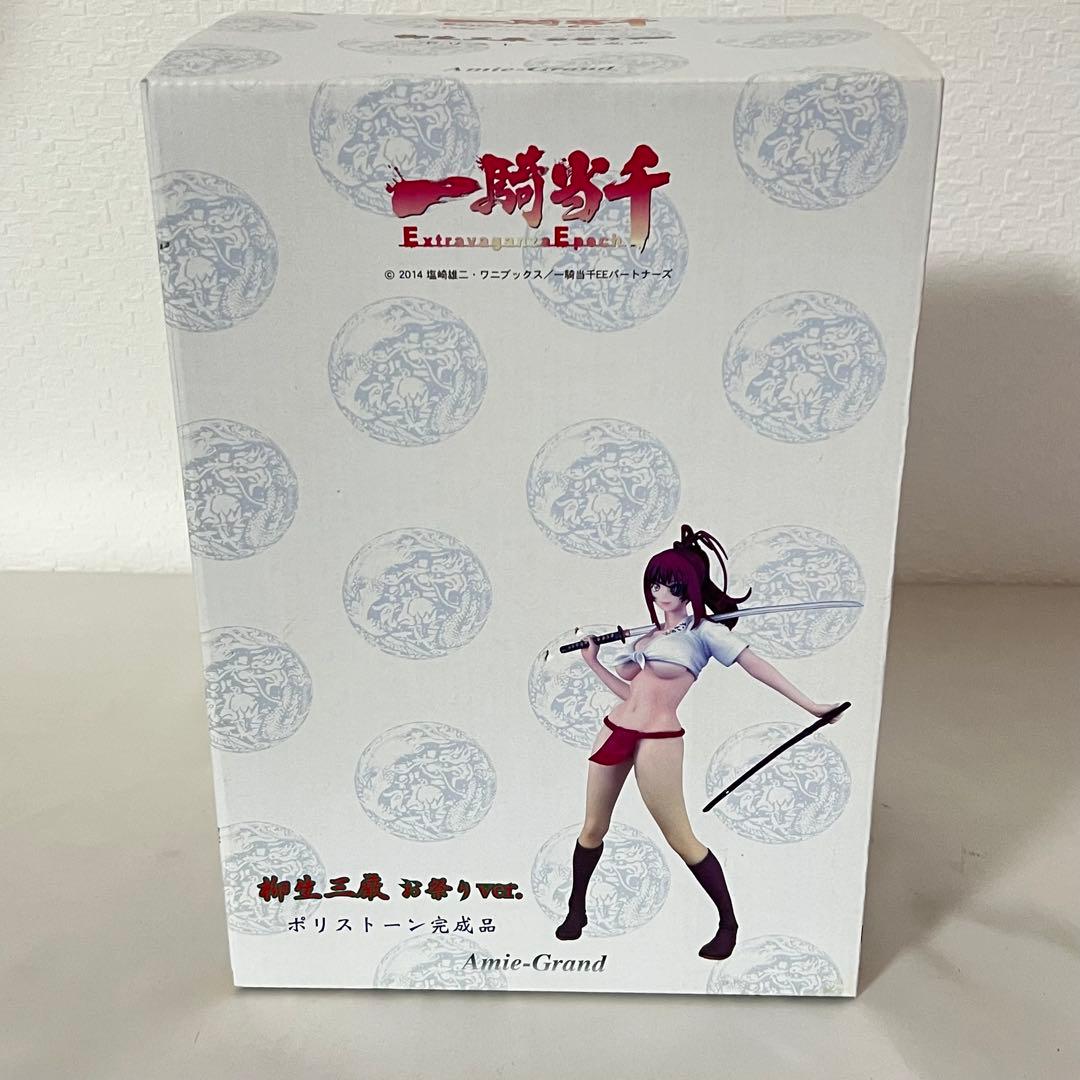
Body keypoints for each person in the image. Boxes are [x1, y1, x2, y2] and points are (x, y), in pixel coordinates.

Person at [555, 524, 848, 960]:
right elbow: (632, 693)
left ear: (689, 587)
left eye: (671, 585)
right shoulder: (647, 636)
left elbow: (757, 667)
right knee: (593, 828)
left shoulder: (707, 633)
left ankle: (728, 924)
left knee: (681, 837)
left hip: (658, 740)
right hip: (615, 728)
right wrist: (593, 662)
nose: (661, 593)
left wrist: (811, 706)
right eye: (656, 584)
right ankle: (576, 909)